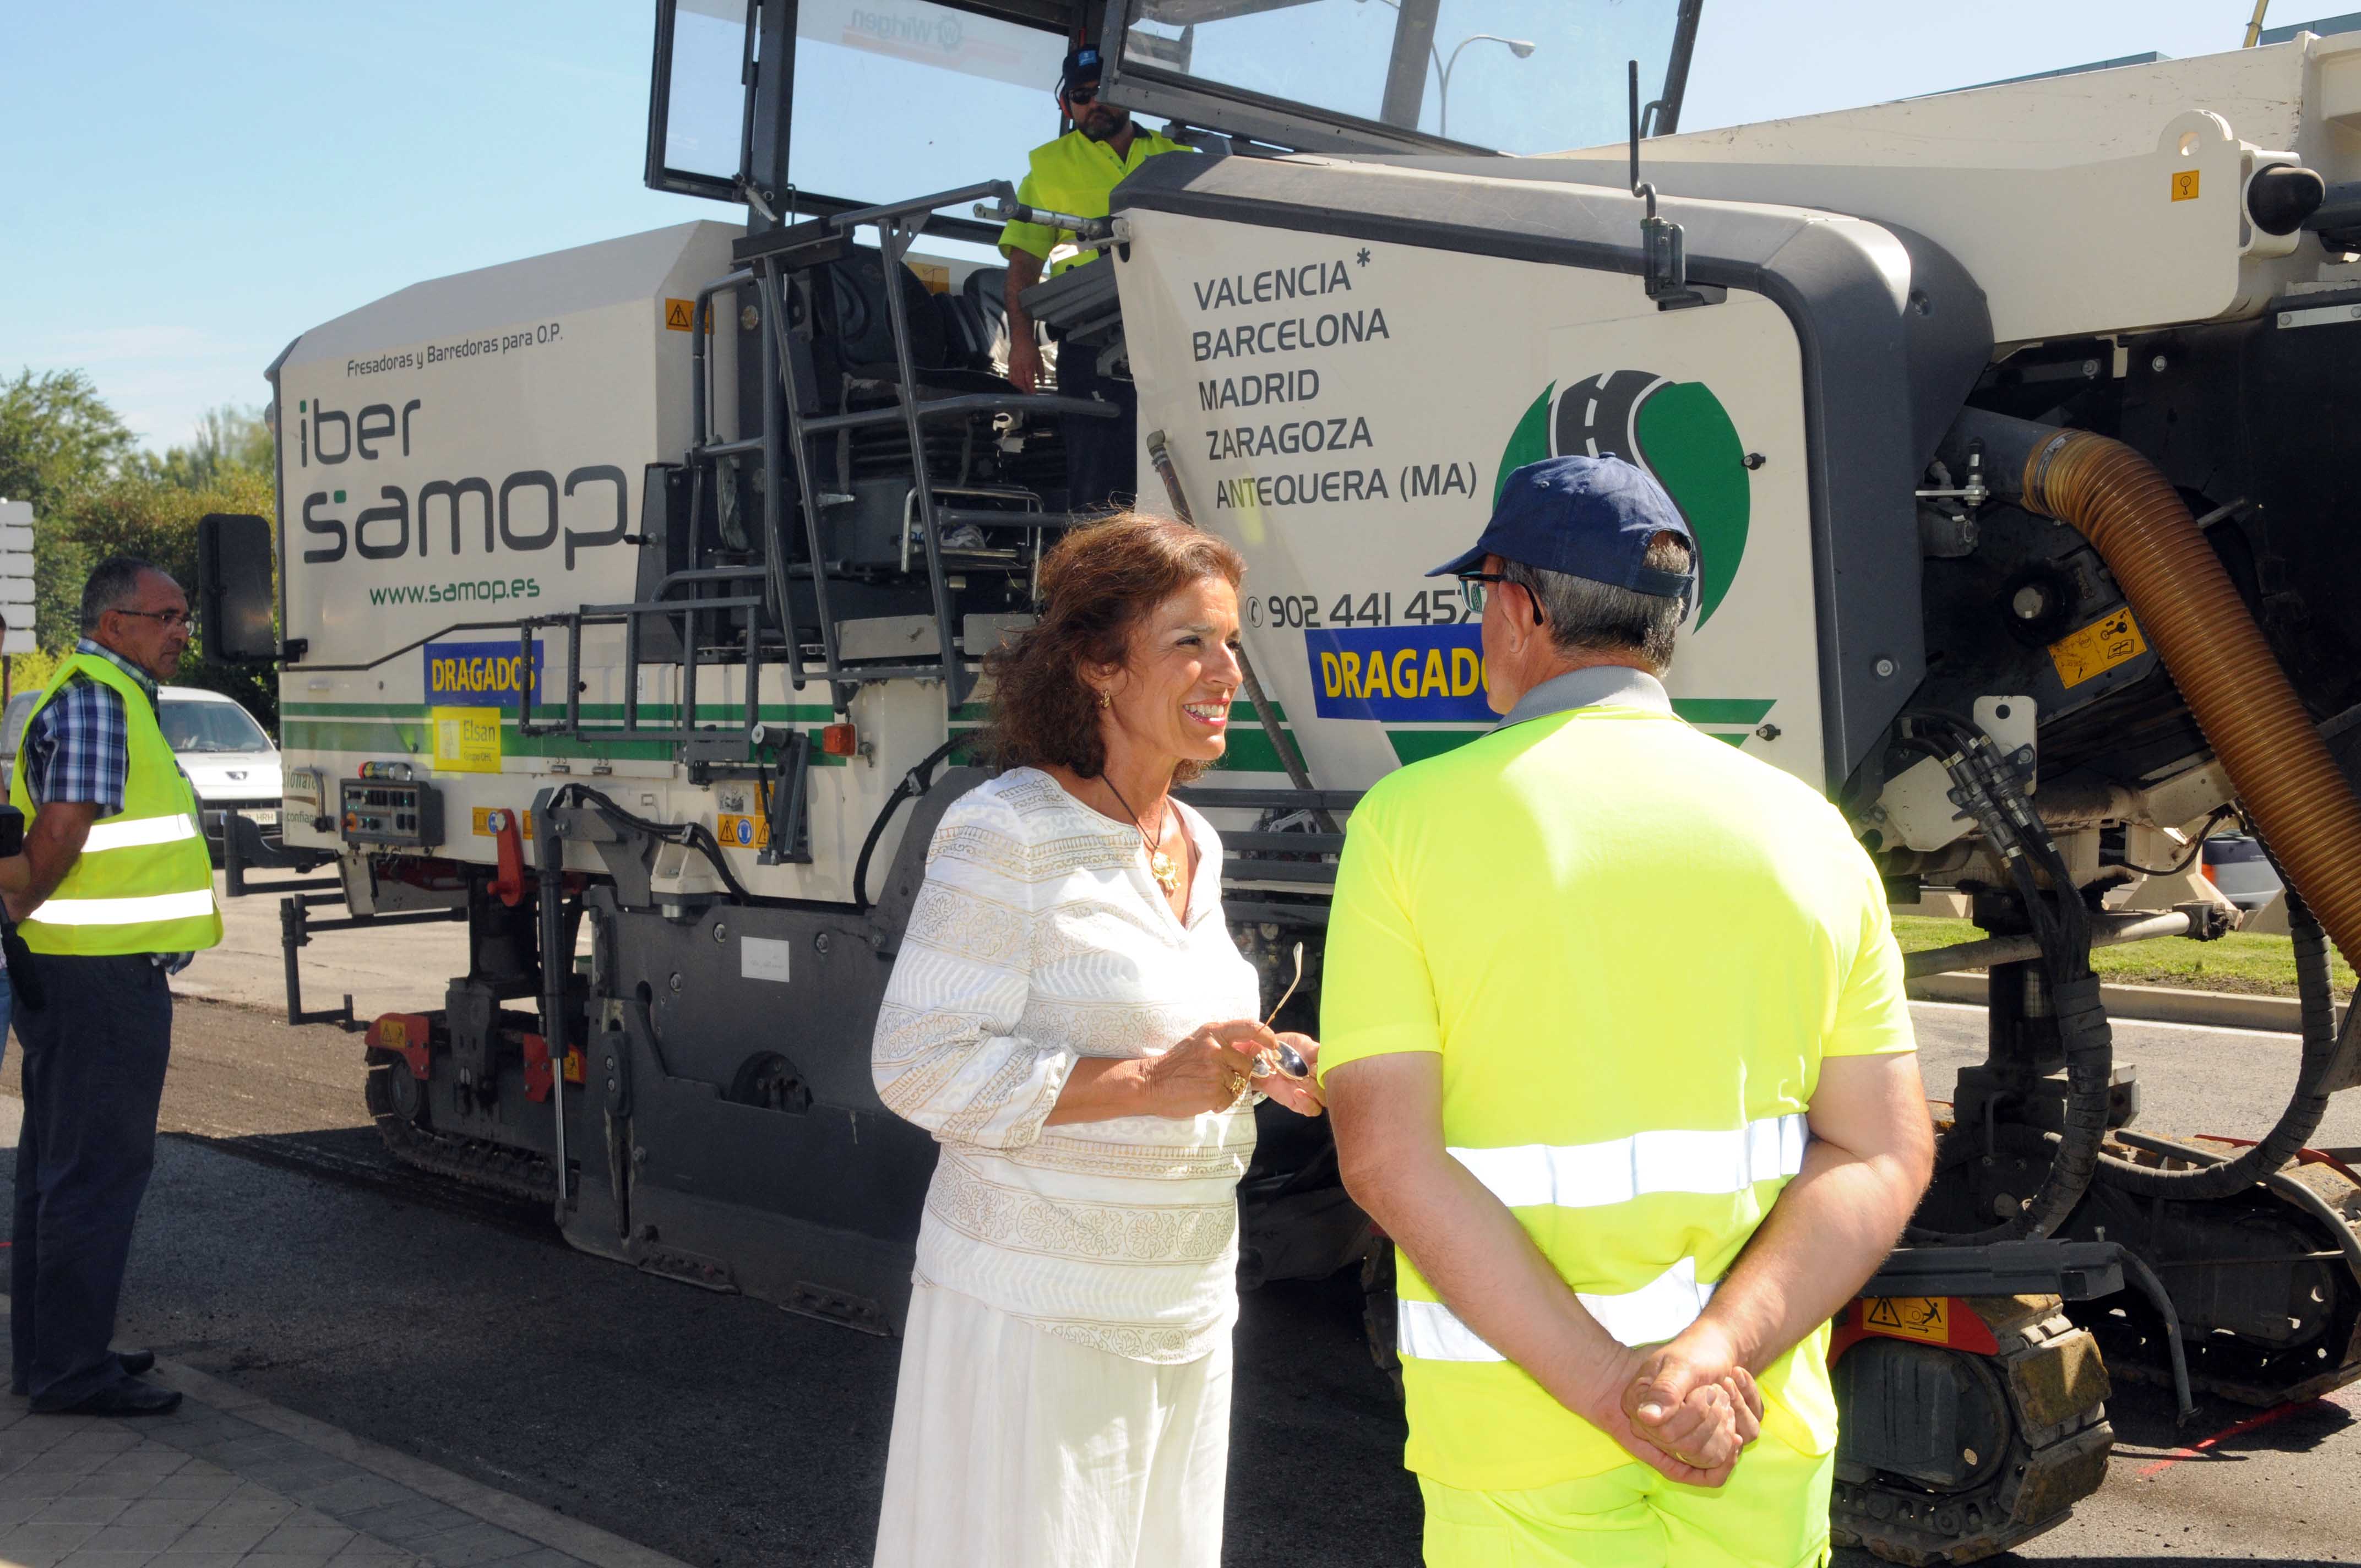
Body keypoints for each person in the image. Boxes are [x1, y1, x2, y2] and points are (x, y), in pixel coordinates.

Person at [1320, 456, 1935, 1567]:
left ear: (1518, 609)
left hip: (1516, 1433)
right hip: (1746, 1424)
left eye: (1483, 597)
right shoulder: (1809, 830)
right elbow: (1879, 1149)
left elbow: (1386, 1159)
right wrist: (1712, 1351)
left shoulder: (1407, 825)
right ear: (1667, 624)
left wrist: (1613, 1387)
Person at [869, 513, 1323, 1568]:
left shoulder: (1192, 837)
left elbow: (1165, 1034)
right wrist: (1149, 1080)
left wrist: (1252, 1062)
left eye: (1230, 642)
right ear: (1097, 664)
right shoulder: (1007, 829)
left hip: (1185, 1306)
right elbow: (916, 1063)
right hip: (1039, 1316)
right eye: (1190, 642)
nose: (1226, 672)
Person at [4, 557, 224, 1416]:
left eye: (185, 617)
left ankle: (53, 1356)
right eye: (166, 617)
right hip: (99, 978)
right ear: (114, 624)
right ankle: (71, 1371)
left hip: (77, 972)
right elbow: (62, 830)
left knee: (58, 1169)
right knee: (96, 1172)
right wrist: (21, 898)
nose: (182, 633)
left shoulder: (105, 692)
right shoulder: (101, 698)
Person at [1000, 45, 1189, 513]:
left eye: (1101, 91)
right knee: (1100, 489)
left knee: (1187, 473)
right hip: (1090, 345)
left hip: (1174, 341)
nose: (1093, 104)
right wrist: (1022, 343)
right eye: (1080, 96)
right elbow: (1023, 269)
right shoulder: (1047, 168)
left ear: (1128, 93)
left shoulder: (1177, 158)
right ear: (1067, 105)